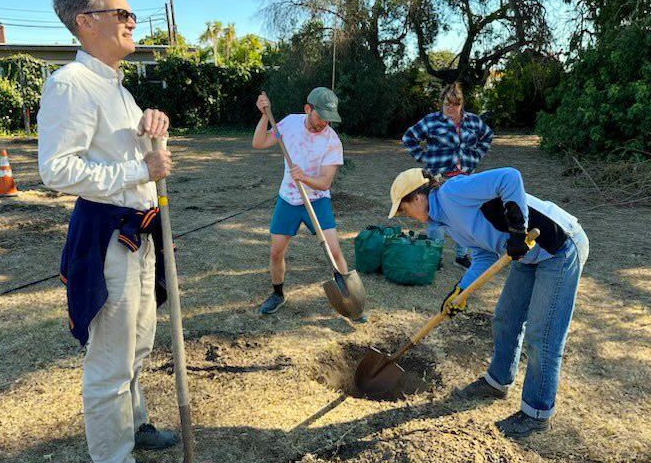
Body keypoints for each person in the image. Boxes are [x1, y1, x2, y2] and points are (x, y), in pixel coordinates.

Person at [38, 0, 178, 463]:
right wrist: (139, 169)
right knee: (110, 356)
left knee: (138, 342)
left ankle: (134, 423)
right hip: (106, 235)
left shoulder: (117, 89)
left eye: (130, 13)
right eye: (120, 13)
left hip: (139, 231)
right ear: (85, 22)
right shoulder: (70, 84)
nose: (131, 21)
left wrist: (152, 125)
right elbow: (57, 169)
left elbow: (136, 152)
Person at [387, 167, 589, 438]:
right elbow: (482, 256)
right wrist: (460, 291)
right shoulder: (445, 221)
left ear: (418, 197)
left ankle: (536, 414)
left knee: (543, 334)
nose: (406, 217)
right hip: (525, 255)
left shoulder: (452, 193)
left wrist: (518, 231)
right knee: (506, 318)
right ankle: (497, 382)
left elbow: (510, 177)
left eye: (403, 209)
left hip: (557, 246)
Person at [252, 88, 360, 319]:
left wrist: (304, 177)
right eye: (320, 116)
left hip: (317, 202)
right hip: (288, 200)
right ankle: (278, 294)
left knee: (334, 251)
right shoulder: (290, 124)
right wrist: (263, 116)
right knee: (276, 252)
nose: (324, 123)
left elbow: (324, 183)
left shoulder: (332, 142)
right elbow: (259, 143)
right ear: (307, 109)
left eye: (329, 118)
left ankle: (349, 299)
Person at [402, 82, 493, 269]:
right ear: (442, 103)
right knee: (436, 218)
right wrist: (424, 157)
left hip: (465, 177)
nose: (450, 108)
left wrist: (475, 156)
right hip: (439, 177)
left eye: (455, 104)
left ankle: (461, 256)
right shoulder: (432, 121)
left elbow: (487, 135)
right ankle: (435, 256)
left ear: (461, 104)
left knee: (464, 217)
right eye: (446, 104)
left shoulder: (473, 121)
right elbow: (408, 137)